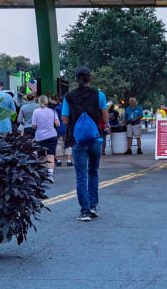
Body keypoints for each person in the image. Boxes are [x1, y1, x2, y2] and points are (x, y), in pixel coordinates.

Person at [61, 67, 108, 221]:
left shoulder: (68, 97)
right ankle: (94, 206)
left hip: (78, 140)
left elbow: (65, 119)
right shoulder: (99, 95)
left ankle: (85, 211)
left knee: (81, 176)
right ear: (90, 79)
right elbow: (105, 118)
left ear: (75, 80)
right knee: (93, 172)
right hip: (96, 139)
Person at [30, 95, 60, 183]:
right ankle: (50, 175)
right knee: (51, 155)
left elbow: (34, 125)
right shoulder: (52, 111)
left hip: (40, 136)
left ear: (39, 102)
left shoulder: (36, 112)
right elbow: (57, 124)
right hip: (52, 135)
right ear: (47, 102)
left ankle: (42, 175)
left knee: (41, 156)